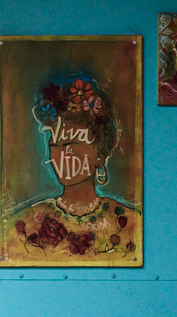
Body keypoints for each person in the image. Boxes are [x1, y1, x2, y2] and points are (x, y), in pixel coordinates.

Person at [10, 75, 140, 262]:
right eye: (56, 146)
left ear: (100, 157)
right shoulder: (27, 222)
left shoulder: (128, 222)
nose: (62, 156)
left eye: (72, 147)